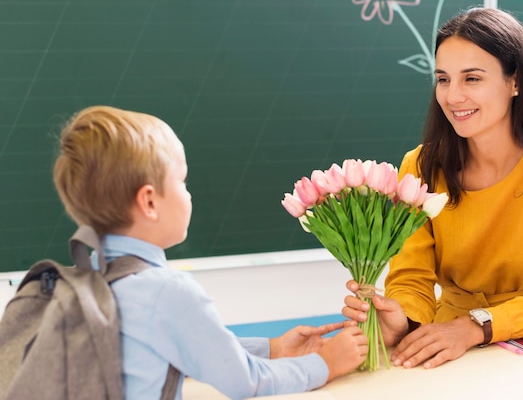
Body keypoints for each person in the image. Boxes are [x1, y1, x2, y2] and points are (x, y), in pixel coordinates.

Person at [342, 7, 523, 370]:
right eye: (443, 79)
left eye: (472, 79)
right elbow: (411, 278)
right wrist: (403, 319)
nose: (453, 96)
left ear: (515, 81)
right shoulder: (421, 166)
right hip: (451, 346)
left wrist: (475, 326)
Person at [53, 105, 368, 400]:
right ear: (149, 202)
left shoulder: (85, 279)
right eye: (182, 181)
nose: (188, 194)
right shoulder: (166, 292)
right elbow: (246, 380)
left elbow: (188, 345)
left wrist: (273, 347)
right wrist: (326, 362)